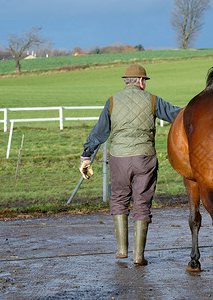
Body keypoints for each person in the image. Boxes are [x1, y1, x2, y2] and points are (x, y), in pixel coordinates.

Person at [79, 64, 182, 265]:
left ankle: (121, 250)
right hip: (145, 158)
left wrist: (86, 155)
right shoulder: (153, 100)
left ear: (126, 81)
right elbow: (176, 115)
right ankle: (138, 256)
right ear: (141, 81)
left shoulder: (112, 101)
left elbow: (99, 132)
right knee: (142, 202)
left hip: (119, 158)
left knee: (119, 198)